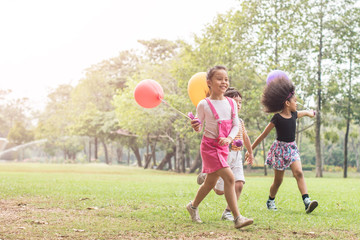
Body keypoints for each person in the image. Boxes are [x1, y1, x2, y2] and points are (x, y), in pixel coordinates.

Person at [186, 66, 253, 229]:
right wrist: (195, 125)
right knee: (230, 178)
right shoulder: (204, 104)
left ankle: (192, 206)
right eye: (219, 79)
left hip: (224, 147)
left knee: (209, 184)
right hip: (210, 148)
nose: (224, 82)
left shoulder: (231, 103)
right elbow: (199, 126)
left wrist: (229, 138)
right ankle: (238, 218)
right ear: (209, 82)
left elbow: (237, 125)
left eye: (226, 79)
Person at [245, 71, 318, 213]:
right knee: (278, 181)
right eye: (295, 101)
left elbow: (305, 112)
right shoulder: (277, 118)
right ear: (287, 103)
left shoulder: (295, 114)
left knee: (299, 173)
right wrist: (250, 149)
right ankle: (270, 200)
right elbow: (262, 135)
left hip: (292, 149)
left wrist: (311, 113)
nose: (296, 103)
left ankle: (306, 201)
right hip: (279, 150)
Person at [196, 87, 254, 221]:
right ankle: (208, 176)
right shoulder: (223, 120)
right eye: (235, 101)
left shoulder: (240, 122)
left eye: (240, 102)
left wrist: (250, 152)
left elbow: (245, 137)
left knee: (239, 184)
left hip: (237, 155)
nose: (238, 105)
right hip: (224, 154)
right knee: (219, 191)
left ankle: (228, 212)